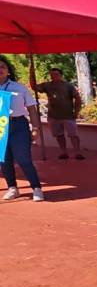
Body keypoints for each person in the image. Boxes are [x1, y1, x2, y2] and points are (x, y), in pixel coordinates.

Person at [1, 55, 45, 202]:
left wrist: (36, 128)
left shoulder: (19, 88)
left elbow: (32, 109)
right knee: (4, 160)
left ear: (8, 71)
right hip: (1, 126)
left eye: (3, 67)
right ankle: (12, 188)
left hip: (18, 125)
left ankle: (36, 188)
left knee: (23, 159)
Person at [31, 67, 84, 160]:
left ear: (61, 75)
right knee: (59, 135)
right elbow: (34, 87)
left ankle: (77, 152)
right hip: (53, 116)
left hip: (68, 115)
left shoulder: (68, 86)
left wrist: (76, 111)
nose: (54, 76)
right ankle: (64, 152)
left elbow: (78, 98)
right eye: (52, 75)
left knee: (73, 135)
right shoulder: (47, 85)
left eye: (56, 74)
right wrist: (31, 73)